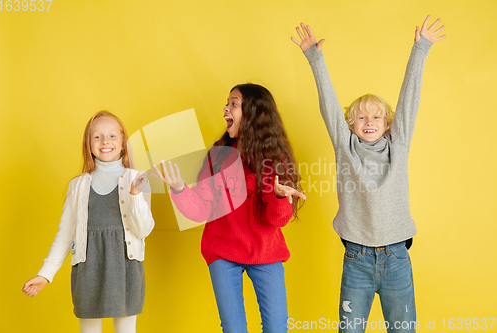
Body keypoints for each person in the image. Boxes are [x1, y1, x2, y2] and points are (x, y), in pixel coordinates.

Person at [291, 16, 446, 332]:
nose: (369, 120)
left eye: (376, 116)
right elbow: (330, 107)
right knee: (349, 330)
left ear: (388, 123)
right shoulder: (345, 146)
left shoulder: (397, 144)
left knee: (403, 329)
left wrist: (421, 50)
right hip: (357, 260)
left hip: (397, 259)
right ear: (350, 125)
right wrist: (315, 58)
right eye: (360, 116)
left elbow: (408, 103)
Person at [152, 83, 306, 333]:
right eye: (228, 103)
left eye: (233, 103)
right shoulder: (219, 156)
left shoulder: (275, 159)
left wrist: (279, 198)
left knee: (277, 327)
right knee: (233, 329)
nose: (226, 108)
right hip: (222, 251)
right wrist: (179, 188)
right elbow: (200, 210)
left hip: (265, 252)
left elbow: (278, 220)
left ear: (255, 113)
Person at [22, 111, 155, 333]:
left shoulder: (137, 179)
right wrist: (45, 274)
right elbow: (65, 235)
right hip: (88, 270)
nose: (105, 141)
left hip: (125, 267)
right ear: (88, 144)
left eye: (113, 136)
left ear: (123, 143)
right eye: (97, 136)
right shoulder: (78, 185)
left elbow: (143, 230)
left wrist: (134, 194)